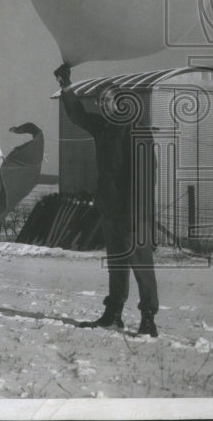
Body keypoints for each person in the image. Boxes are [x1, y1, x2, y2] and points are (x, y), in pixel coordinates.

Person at [54, 63, 159, 337]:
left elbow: (145, 175)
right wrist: (67, 88)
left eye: (107, 101)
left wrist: (134, 212)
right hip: (111, 210)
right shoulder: (104, 127)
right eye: (100, 102)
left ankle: (148, 318)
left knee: (141, 264)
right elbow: (78, 115)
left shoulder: (135, 128)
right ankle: (113, 314)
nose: (102, 106)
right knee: (116, 264)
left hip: (133, 212)